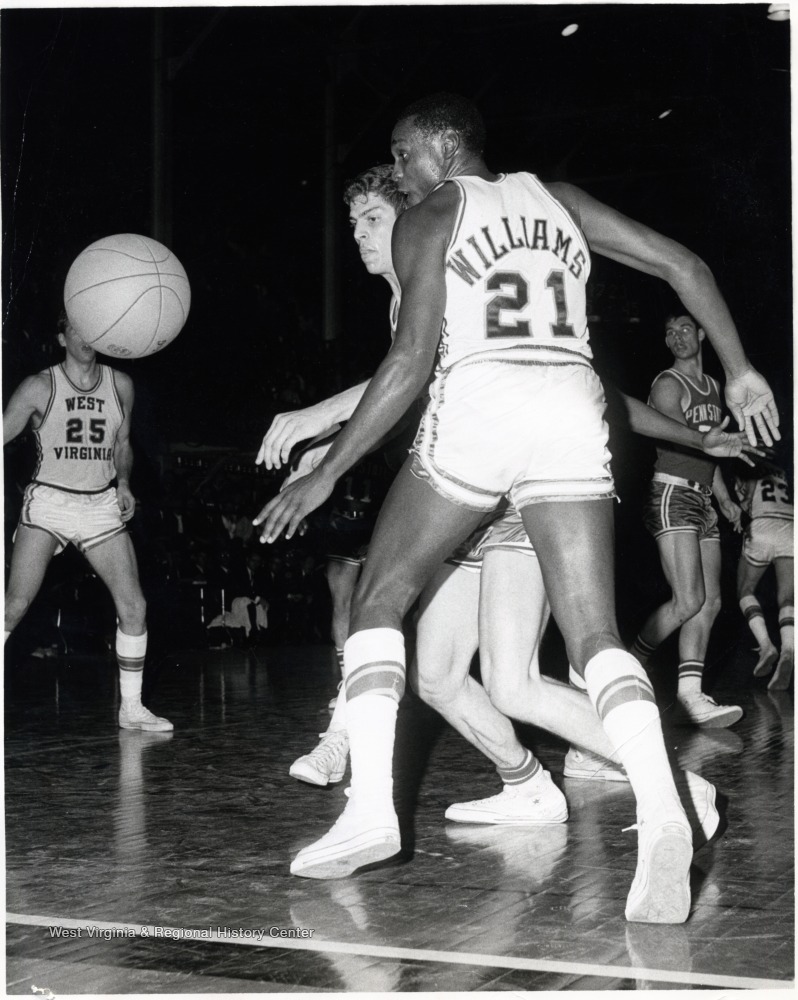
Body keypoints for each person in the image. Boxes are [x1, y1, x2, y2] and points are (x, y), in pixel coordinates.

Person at [255, 94, 778, 924]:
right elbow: (688, 266)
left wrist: (327, 470)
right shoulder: (561, 202)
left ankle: (371, 813)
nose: (397, 172)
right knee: (591, 638)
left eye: (401, 154)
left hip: (485, 411)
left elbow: (408, 363)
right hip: (569, 407)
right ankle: (664, 804)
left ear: (441, 148)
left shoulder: (433, 211)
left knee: (378, 599)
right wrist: (742, 370)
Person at [3, 311, 172, 732]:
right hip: (50, 502)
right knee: (15, 605)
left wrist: (126, 482)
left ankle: (131, 709)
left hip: (100, 504)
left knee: (134, 605)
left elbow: (122, 443)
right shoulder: (39, 386)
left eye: (93, 326)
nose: (86, 336)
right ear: (62, 337)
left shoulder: (121, 385)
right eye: (76, 328)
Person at [629, 313, 746, 728]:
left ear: (701, 333)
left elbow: (708, 452)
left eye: (684, 329)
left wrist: (726, 499)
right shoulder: (667, 384)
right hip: (673, 494)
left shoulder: (713, 387)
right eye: (669, 331)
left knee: (710, 602)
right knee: (688, 600)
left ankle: (690, 696)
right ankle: (628, 667)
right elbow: (690, 440)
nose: (676, 337)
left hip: (703, 500)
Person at [735, 460, 793, 690]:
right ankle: (789, 649)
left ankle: (767, 645)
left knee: (745, 590)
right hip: (791, 526)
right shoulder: (784, 465)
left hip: (763, 524)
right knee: (788, 598)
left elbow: (746, 498)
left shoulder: (747, 460)